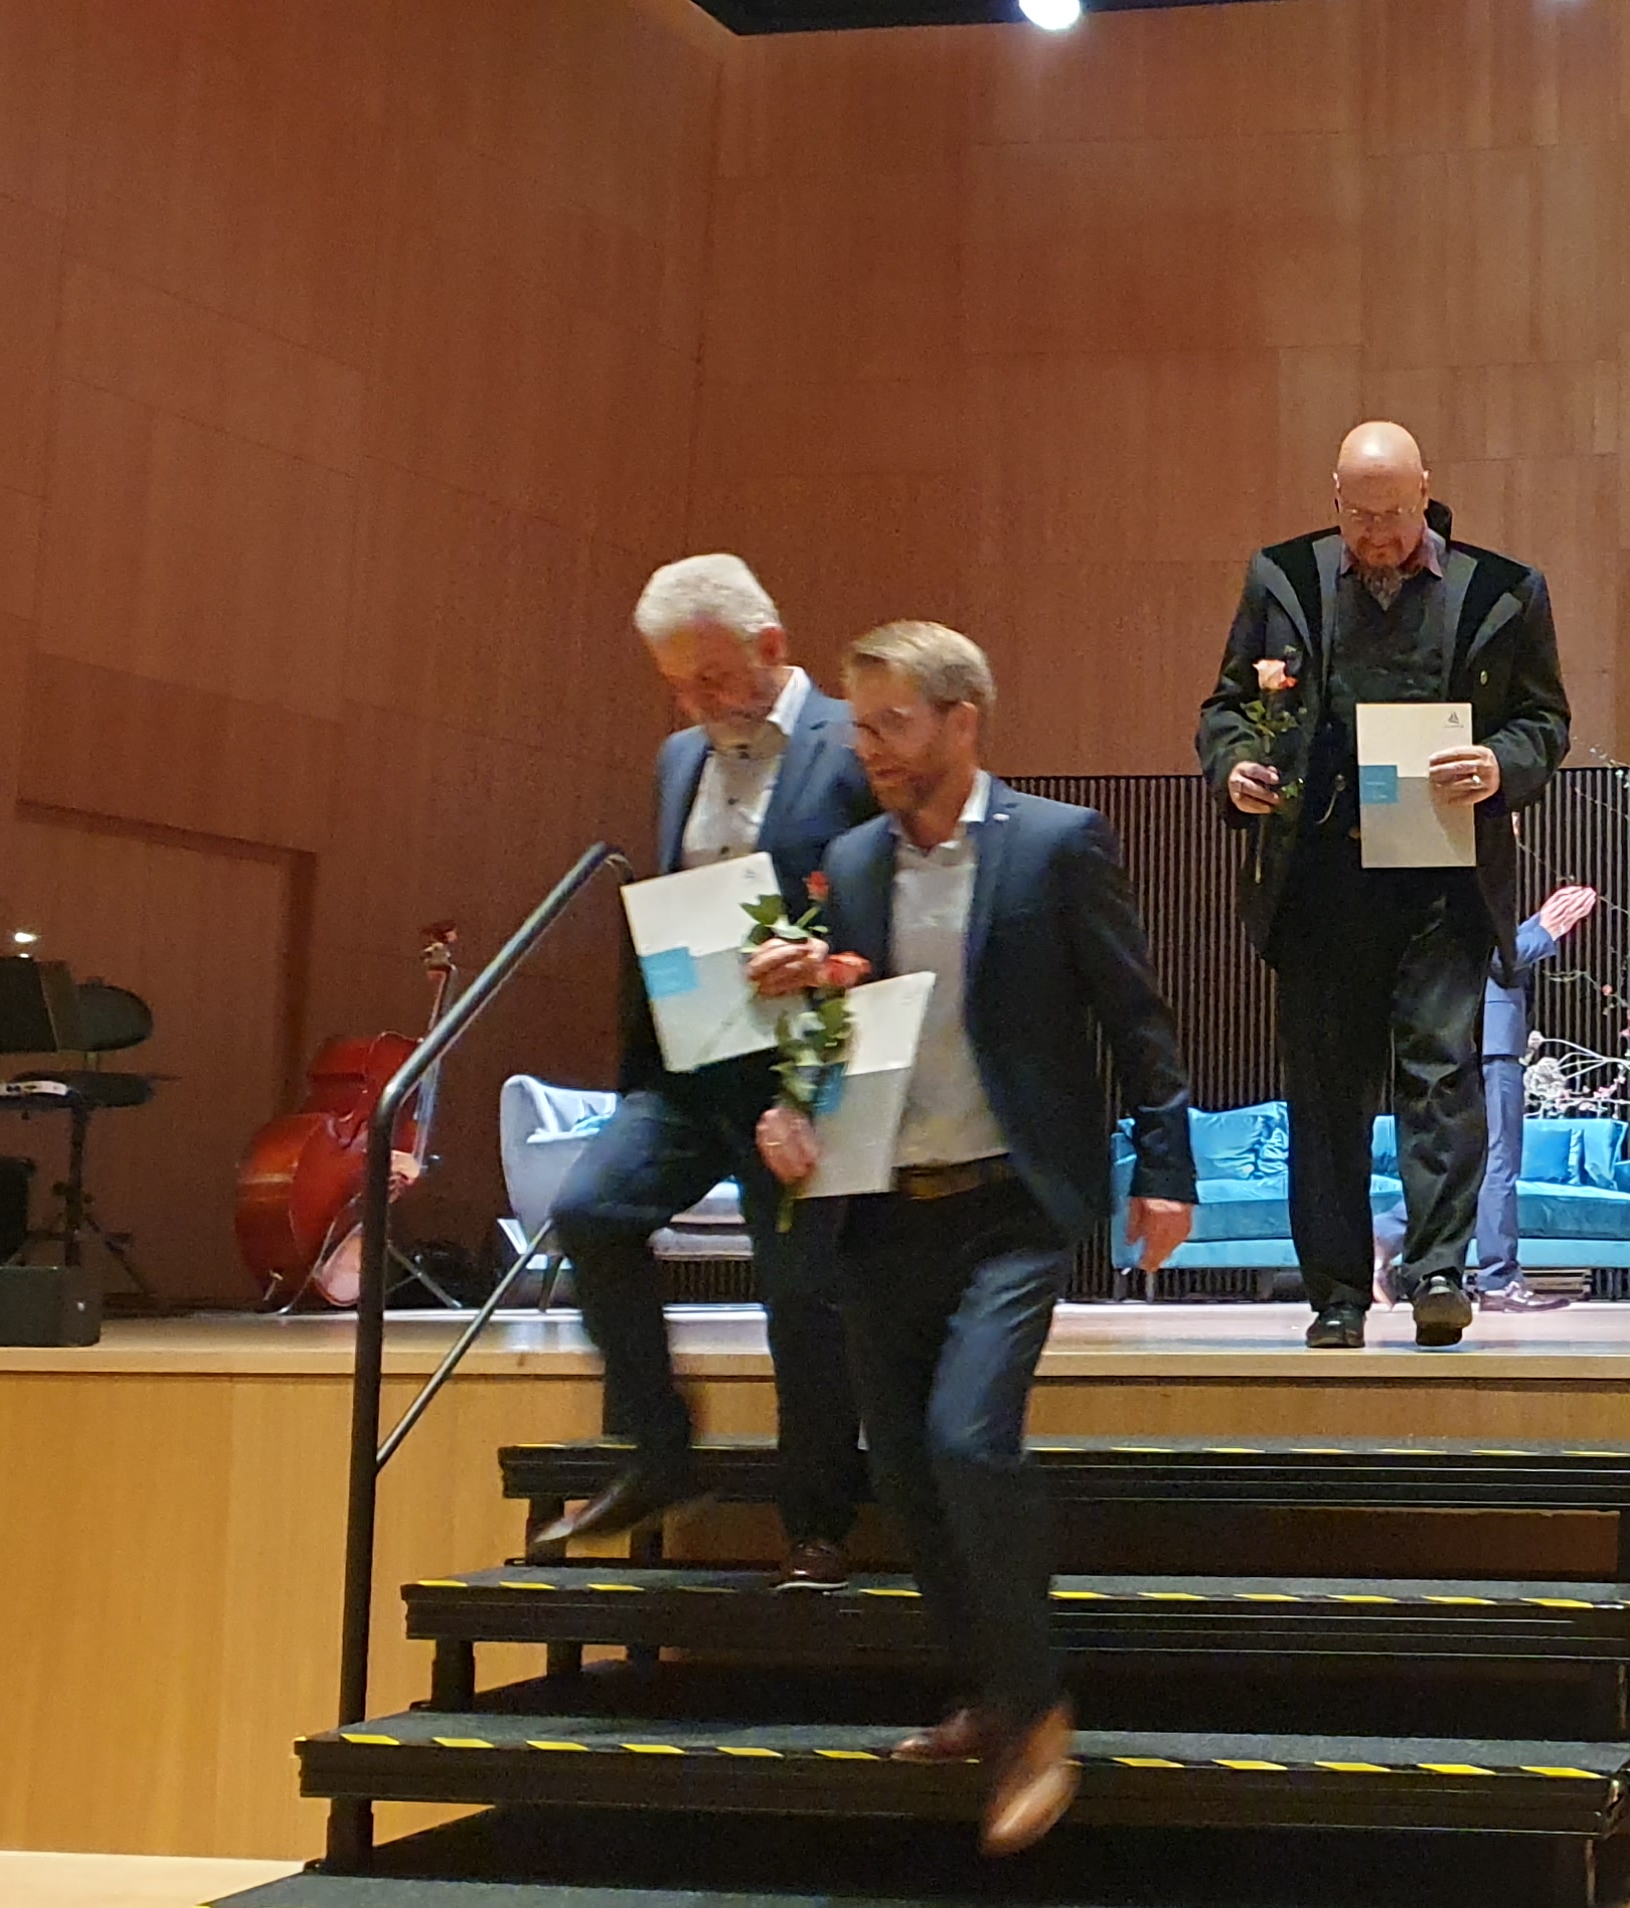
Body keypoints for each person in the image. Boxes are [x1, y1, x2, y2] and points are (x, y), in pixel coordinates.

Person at [751, 620, 1197, 1856]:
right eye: (859, 727)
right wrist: (789, 1101)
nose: (871, 749)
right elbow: (830, 1035)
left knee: (967, 1441)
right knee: (903, 1472)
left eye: (893, 724)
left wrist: (1166, 1169)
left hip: (1013, 1205)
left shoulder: (1056, 844)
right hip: (882, 1209)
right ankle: (986, 1695)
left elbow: (1136, 1016)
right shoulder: (849, 860)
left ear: (962, 720)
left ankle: (1039, 1712)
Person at [532, 556, 880, 1570]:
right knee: (591, 1211)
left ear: (772, 646)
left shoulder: (852, 745)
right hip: (687, 1067)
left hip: (806, 1070)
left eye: (712, 678)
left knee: (800, 1296)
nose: (694, 703)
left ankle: (817, 1521)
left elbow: (901, 904)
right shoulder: (678, 757)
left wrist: (829, 960)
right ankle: (659, 1447)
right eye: (678, 685)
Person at [1195, 423, 1570, 1349]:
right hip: (1322, 876)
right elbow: (1228, 707)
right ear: (1335, 501)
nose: (1376, 535)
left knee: (1441, 1076)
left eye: (1393, 513)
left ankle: (1438, 1273)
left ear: (1425, 493)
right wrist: (1237, 768)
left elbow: (1544, 721)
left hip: (1444, 879)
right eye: (1358, 516)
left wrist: (1500, 762)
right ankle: (1336, 1295)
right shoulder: (1282, 576)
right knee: (1325, 1093)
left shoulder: (1503, 588)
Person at [1475, 883, 1602, 1311]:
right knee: (1497, 1162)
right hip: (1492, 1046)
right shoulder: (1470, 886)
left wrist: (1537, 923)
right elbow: (1496, 960)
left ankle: (1389, 1231)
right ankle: (1497, 1279)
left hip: (1483, 1042)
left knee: (1471, 1162)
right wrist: (1546, 931)